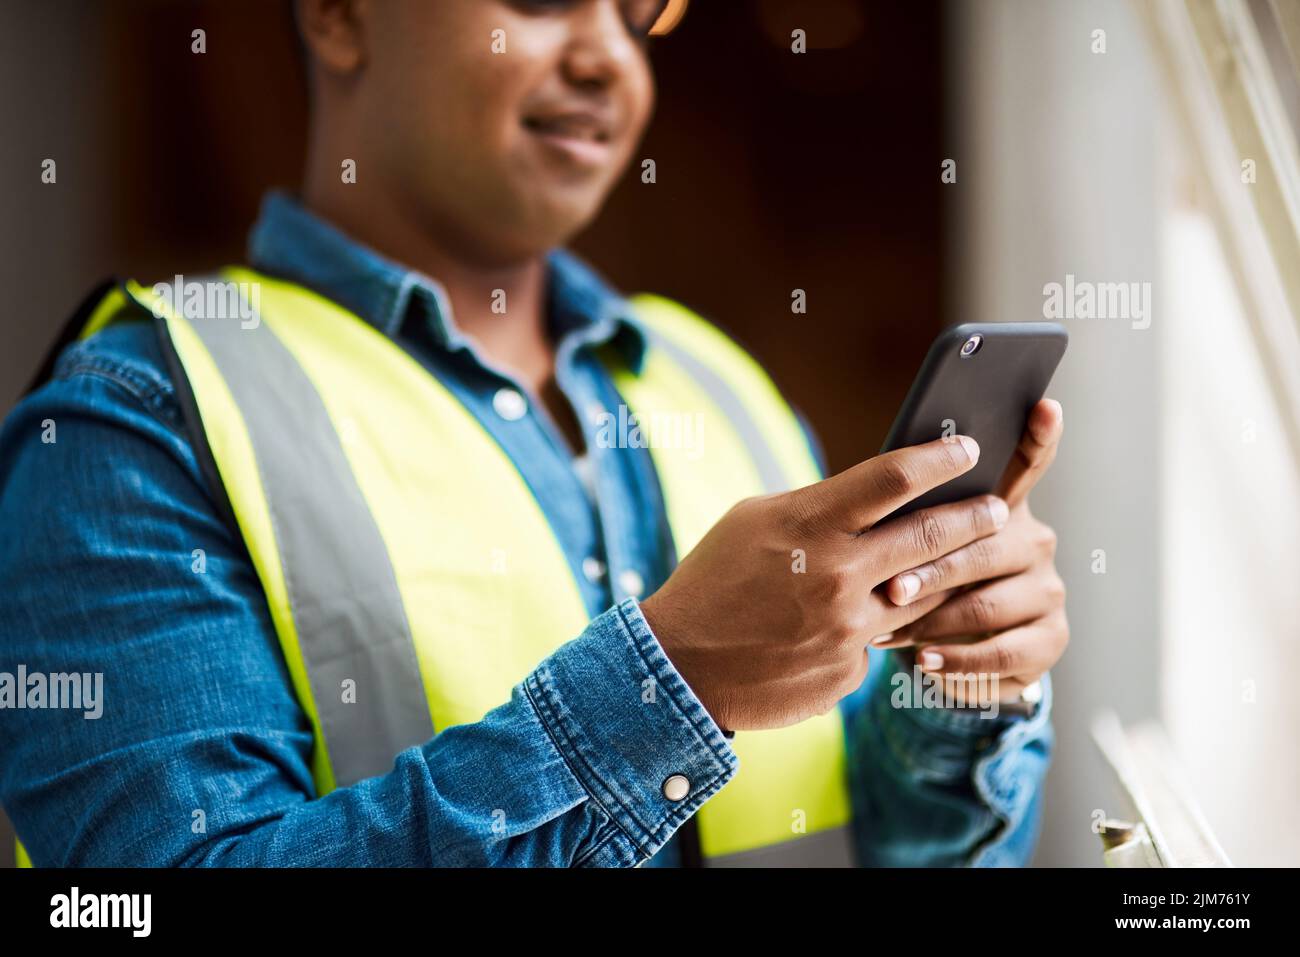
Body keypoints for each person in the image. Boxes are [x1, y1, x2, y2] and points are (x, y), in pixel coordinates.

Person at [0, 0, 1067, 867]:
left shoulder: (716, 375)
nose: (611, 56)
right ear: (334, 15)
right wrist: (673, 688)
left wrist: (958, 682)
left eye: (642, 9)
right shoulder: (133, 423)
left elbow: (890, 848)